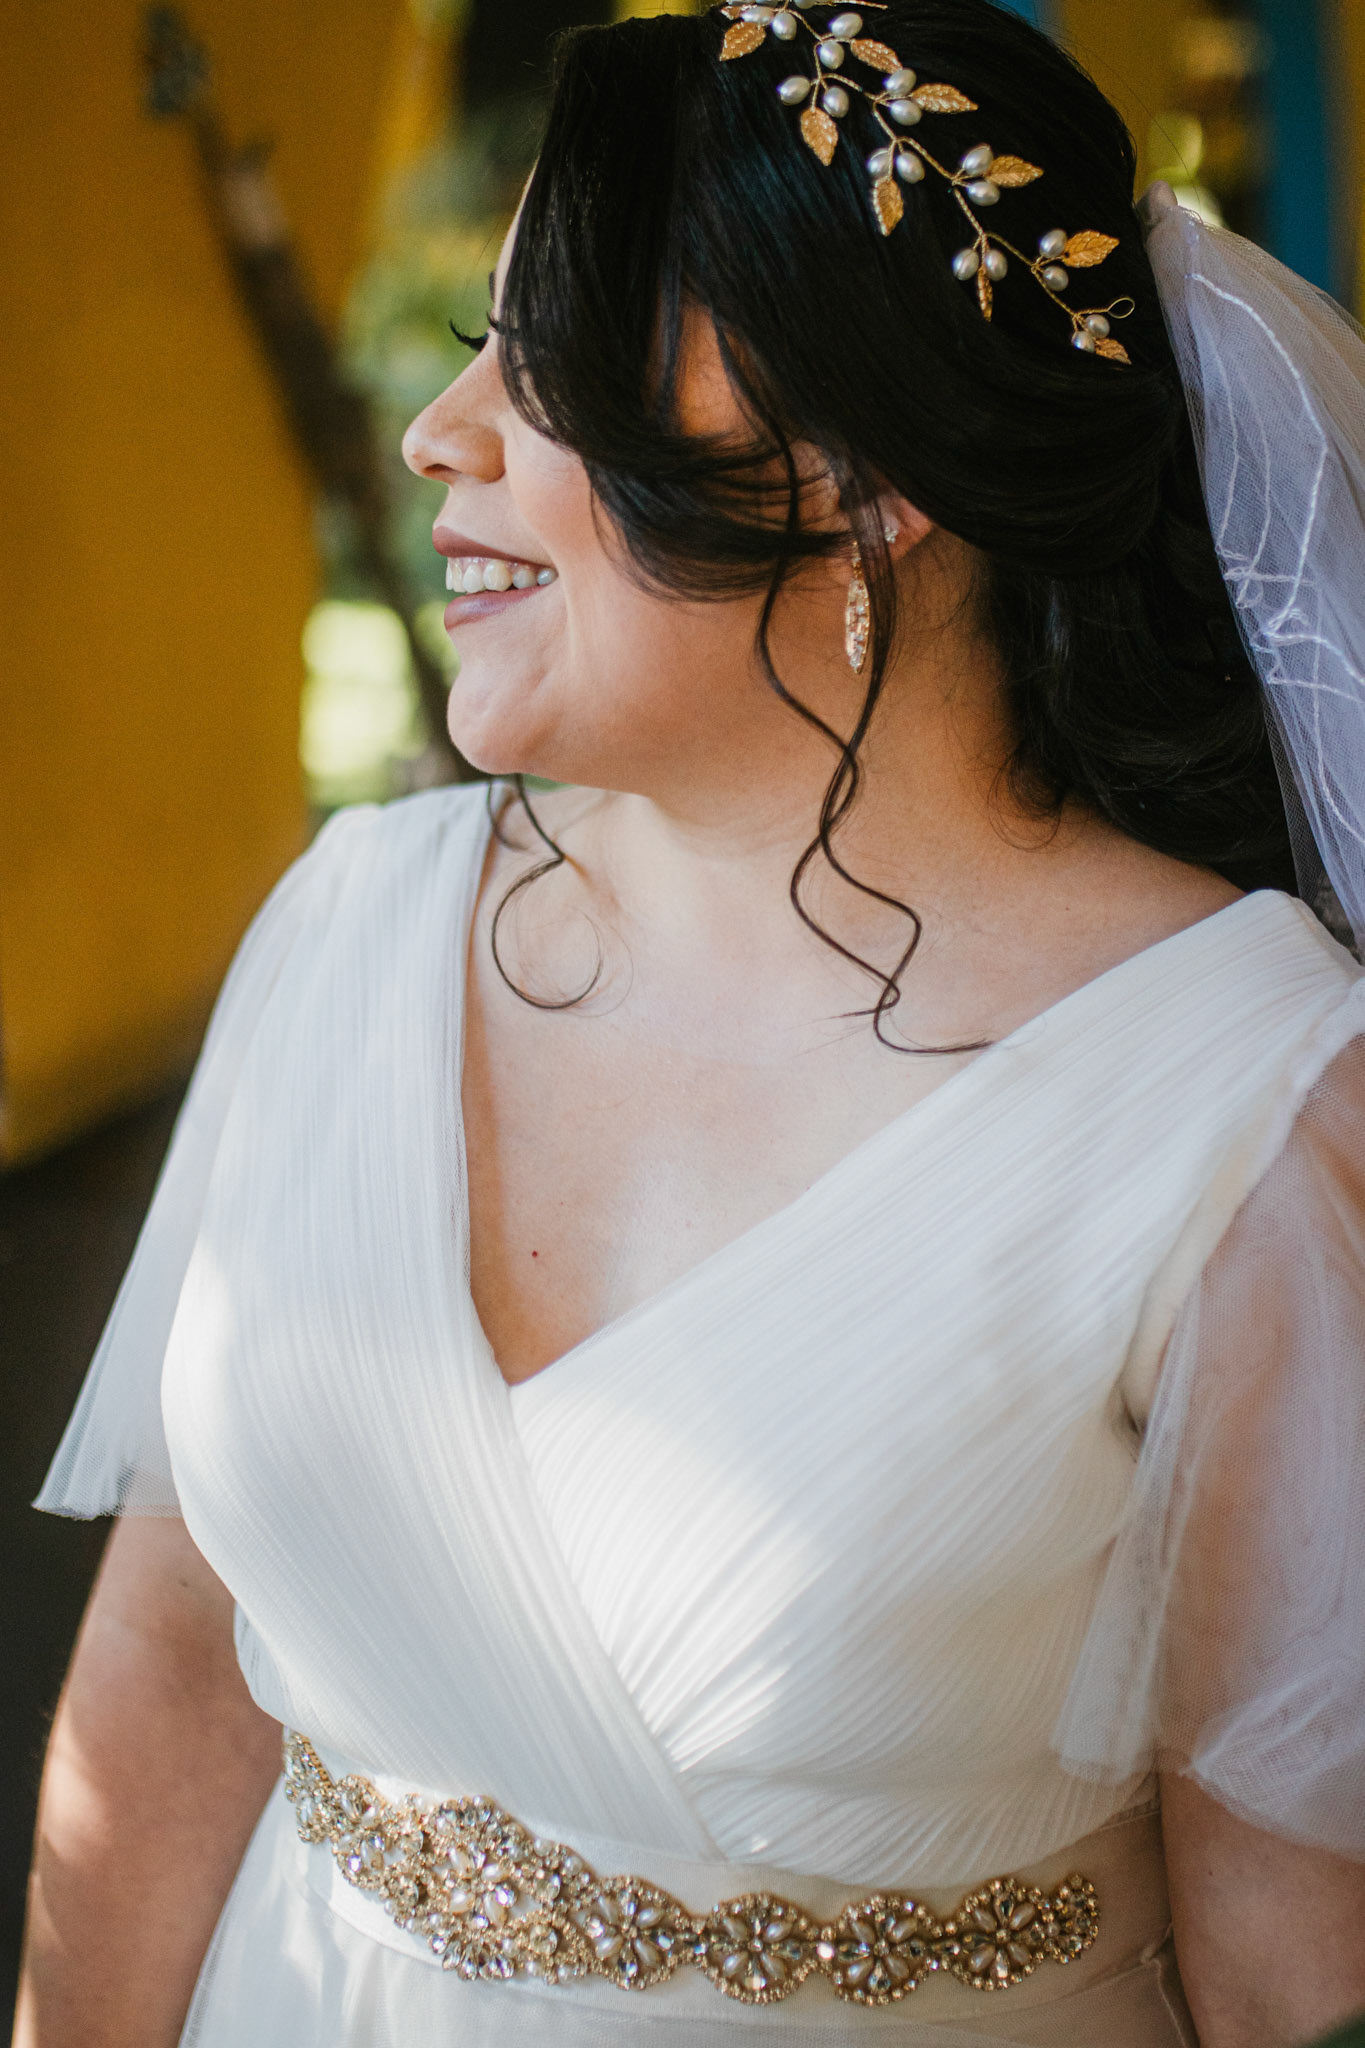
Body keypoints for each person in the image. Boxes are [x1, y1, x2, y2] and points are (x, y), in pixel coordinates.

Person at [15, 4, 1365, 2045]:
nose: (440, 432)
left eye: (547, 363)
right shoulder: (356, 926)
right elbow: (171, 1677)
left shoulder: (1244, 1099)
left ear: (863, 470)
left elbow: (1286, 1956)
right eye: (473, 344)